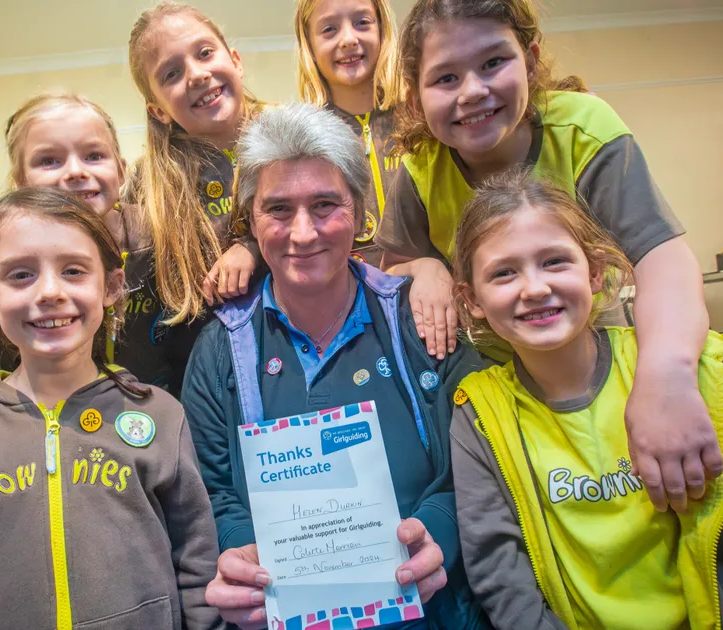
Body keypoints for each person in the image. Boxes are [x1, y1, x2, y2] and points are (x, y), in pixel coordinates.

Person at [449, 169, 723, 629]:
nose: (535, 288)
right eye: (504, 273)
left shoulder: (706, 372)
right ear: (472, 300)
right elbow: (501, 573)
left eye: (554, 261)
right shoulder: (479, 414)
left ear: (595, 271)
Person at [378, 0, 722, 514]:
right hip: (496, 391)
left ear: (531, 59)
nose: (472, 91)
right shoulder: (420, 170)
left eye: (493, 62)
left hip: (596, 370)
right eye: (446, 78)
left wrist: (666, 379)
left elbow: (662, 257)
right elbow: (391, 268)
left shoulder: (584, 129)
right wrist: (424, 266)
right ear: (415, 96)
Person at [184, 103, 488, 630]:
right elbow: (212, 489)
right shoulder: (218, 351)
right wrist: (244, 557)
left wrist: (436, 533)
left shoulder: (424, 320)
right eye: (278, 209)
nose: (303, 233)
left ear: (360, 210)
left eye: (325, 204)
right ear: (251, 220)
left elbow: (481, 458)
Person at [0, 187, 222, 630]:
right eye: (21, 275)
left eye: (73, 271)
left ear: (112, 286)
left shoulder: (160, 415)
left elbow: (196, 563)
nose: (49, 292)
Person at [128, 1, 269, 388]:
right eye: (171, 73)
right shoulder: (149, 184)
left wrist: (253, 246)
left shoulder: (293, 135)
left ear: (235, 60)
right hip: (206, 377)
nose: (196, 74)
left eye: (205, 53)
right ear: (158, 111)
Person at [4, 92, 177, 392]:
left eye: (94, 156)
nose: (75, 172)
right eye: (49, 161)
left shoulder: (163, 233)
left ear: (121, 171)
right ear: (21, 182)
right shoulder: (7, 256)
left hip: (164, 405)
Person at [293, 0, 404, 268]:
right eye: (329, 29)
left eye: (362, 22)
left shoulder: (420, 116)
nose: (348, 39)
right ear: (310, 45)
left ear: (382, 29)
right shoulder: (302, 138)